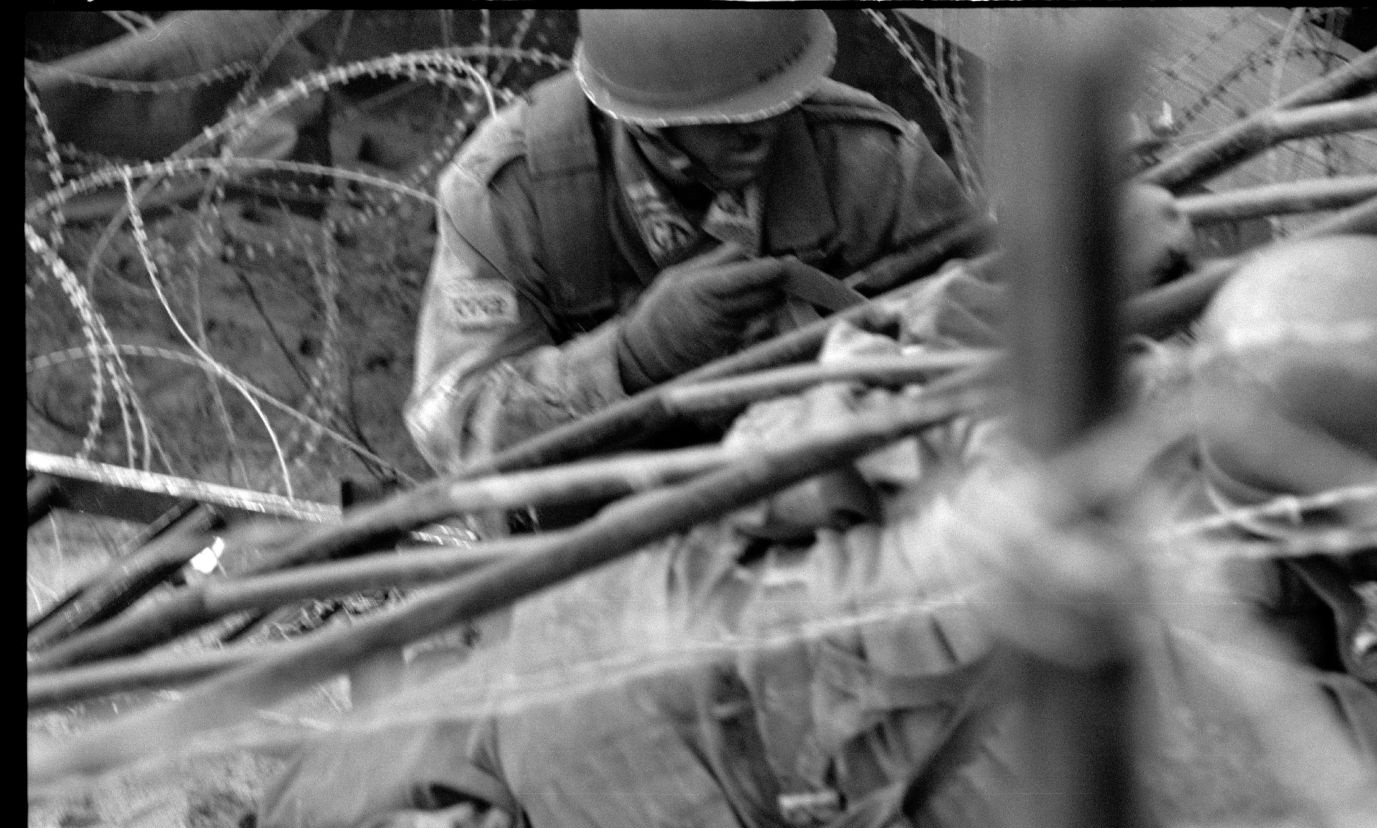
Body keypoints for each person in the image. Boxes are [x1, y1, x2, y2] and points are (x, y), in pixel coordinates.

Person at [29, 234, 1377, 828]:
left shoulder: (1051, 402)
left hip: (637, 612)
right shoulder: (1217, 687)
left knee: (390, 760)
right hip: (705, 802)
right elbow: (1362, 793)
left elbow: (835, 396)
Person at [402, 8, 995, 477]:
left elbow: (993, 330)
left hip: (833, 495)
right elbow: (453, 427)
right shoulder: (512, 195)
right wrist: (632, 358)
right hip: (612, 536)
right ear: (642, 120)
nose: (758, 135)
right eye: (725, 120)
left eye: (774, 104)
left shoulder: (869, 163)